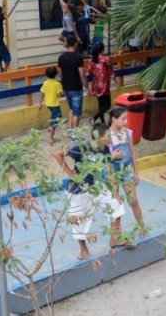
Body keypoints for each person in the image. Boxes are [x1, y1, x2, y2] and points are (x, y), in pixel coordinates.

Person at [53, 123, 128, 260]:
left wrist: (114, 192)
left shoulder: (105, 149)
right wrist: (71, 174)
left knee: (116, 206)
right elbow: (58, 154)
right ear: (98, 137)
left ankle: (115, 238)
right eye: (108, 136)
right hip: (78, 191)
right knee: (79, 220)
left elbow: (108, 169)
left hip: (96, 187)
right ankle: (83, 251)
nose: (110, 139)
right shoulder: (82, 148)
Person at [106, 106, 145, 236]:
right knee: (116, 203)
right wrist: (113, 157)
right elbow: (103, 159)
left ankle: (141, 227)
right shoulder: (107, 136)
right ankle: (118, 233)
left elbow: (133, 154)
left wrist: (136, 173)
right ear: (113, 119)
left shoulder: (127, 133)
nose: (125, 122)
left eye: (126, 119)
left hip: (126, 170)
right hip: (113, 173)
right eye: (123, 119)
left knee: (133, 200)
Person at [57, 36, 89, 133]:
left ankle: (70, 129)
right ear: (75, 44)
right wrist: (87, 87)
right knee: (77, 112)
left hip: (66, 87)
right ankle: (75, 133)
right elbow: (82, 75)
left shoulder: (61, 57)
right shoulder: (78, 58)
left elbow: (60, 73)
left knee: (71, 108)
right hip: (76, 87)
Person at [88, 43, 117, 125]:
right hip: (104, 84)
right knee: (107, 104)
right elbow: (111, 73)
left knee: (101, 104)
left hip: (96, 84)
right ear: (102, 50)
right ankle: (94, 118)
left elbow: (89, 72)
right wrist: (117, 83)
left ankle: (102, 122)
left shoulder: (92, 60)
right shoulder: (106, 59)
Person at [38, 66, 63, 144]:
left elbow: (42, 93)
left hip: (48, 103)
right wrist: (61, 94)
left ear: (46, 74)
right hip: (55, 104)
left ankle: (50, 128)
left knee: (57, 117)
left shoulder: (45, 83)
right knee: (55, 121)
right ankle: (51, 138)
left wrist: (40, 103)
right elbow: (60, 95)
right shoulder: (57, 84)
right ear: (56, 74)